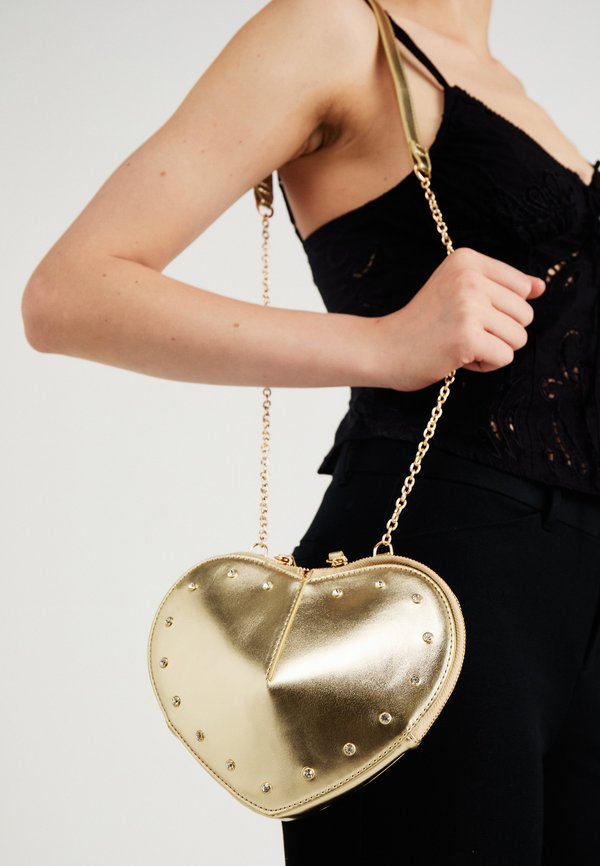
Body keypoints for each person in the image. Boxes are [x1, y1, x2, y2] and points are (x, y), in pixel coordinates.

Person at [20, 0, 600, 862]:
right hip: (434, 580)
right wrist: (385, 344)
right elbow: (68, 295)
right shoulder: (334, 31)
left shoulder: (517, 89)